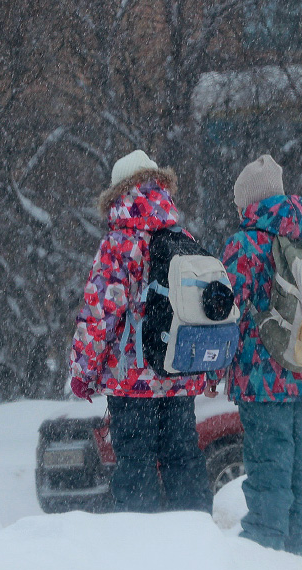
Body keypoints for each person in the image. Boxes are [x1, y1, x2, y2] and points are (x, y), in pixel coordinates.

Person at [69, 150, 213, 514]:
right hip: (179, 369)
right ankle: (197, 539)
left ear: (119, 193)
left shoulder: (119, 244)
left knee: (136, 462)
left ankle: (141, 548)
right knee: (183, 457)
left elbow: (99, 315)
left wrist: (82, 374)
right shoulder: (185, 237)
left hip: (131, 379)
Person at [206, 155, 302, 554]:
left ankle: (265, 544)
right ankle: (301, 541)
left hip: (261, 374)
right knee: (301, 465)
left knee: (269, 463)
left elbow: (226, 313)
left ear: (248, 202)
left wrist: (211, 369)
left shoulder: (245, 244)